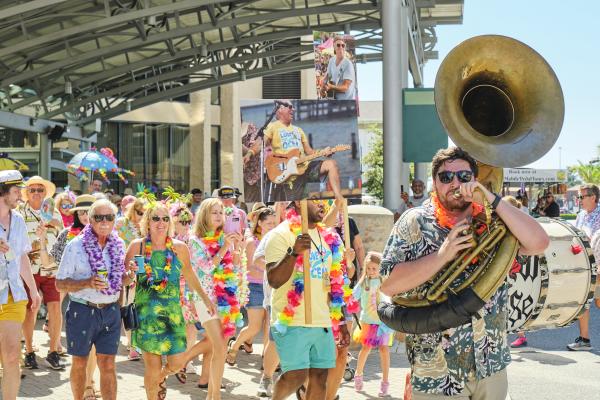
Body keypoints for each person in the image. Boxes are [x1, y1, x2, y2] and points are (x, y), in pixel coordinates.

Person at [379, 147, 549, 399]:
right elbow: (388, 284)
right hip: (436, 369)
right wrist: (442, 255)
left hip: (490, 361)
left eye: (464, 176)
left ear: (475, 180)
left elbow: (539, 243)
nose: (455, 183)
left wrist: (491, 198)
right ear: (435, 182)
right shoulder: (414, 221)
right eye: (446, 177)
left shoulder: (494, 221)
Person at [265, 200, 354, 400]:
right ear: (299, 201)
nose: (323, 204)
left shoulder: (326, 237)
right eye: (316, 199)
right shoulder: (281, 234)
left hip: (321, 320)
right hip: (292, 320)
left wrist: (340, 322)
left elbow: (331, 283)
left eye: (324, 199)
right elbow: (274, 280)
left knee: (320, 377)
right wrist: (294, 252)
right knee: (296, 376)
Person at [128, 202, 216, 400]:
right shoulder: (137, 246)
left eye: (165, 218)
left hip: (172, 315)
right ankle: (153, 391)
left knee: (176, 364)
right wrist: (130, 273)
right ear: (147, 222)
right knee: (152, 366)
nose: (161, 223)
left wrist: (205, 300)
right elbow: (124, 279)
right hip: (146, 315)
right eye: (156, 218)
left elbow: (191, 276)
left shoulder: (179, 248)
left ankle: (161, 378)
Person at [56, 199, 136, 400]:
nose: (104, 221)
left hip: (110, 310)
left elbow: (120, 280)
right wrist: (87, 282)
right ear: (90, 220)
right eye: (98, 217)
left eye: (108, 217)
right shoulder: (75, 246)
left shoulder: (118, 245)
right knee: (80, 362)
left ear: (114, 220)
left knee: (108, 363)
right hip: (82, 310)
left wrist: (131, 275)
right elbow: (60, 284)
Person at [183, 198, 243, 399]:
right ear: (204, 216)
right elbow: (206, 268)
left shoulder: (222, 238)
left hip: (223, 298)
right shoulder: (194, 241)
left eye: (221, 212)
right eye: (214, 212)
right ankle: (213, 393)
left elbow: (232, 270)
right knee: (218, 345)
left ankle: (212, 394)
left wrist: (237, 251)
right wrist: (225, 248)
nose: (219, 216)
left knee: (221, 346)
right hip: (204, 298)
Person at [49, 194, 99, 399]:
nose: (85, 215)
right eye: (81, 212)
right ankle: (84, 383)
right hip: (75, 298)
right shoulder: (67, 234)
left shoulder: (104, 235)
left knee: (95, 347)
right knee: (82, 349)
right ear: (76, 214)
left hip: (98, 298)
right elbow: (53, 261)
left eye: (89, 211)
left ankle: (89, 382)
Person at [0, 170, 41, 400]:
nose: (21, 196)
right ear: (3, 192)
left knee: (12, 356)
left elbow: (23, 257)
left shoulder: (18, 220)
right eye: (16, 191)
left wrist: (33, 290)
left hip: (14, 295)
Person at [18, 175, 64, 370]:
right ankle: (29, 351)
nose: (36, 193)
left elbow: (62, 238)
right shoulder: (18, 212)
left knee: (55, 309)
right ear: (26, 193)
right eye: (32, 190)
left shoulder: (54, 212)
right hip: (28, 269)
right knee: (30, 310)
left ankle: (53, 352)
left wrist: (54, 222)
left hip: (52, 268)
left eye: (40, 190)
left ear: (45, 193)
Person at [227, 206, 278, 366]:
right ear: (260, 223)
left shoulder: (275, 240)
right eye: (269, 223)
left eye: (274, 223)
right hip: (255, 287)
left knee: (270, 326)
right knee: (255, 327)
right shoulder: (252, 242)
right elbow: (250, 268)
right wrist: (271, 269)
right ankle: (234, 346)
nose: (272, 226)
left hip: (271, 287)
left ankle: (266, 358)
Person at [264, 101, 344, 201]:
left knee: (331, 164)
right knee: (296, 204)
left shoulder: (298, 130)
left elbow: (309, 152)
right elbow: (261, 144)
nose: (293, 109)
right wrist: (251, 153)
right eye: (290, 107)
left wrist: (323, 151)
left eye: (293, 107)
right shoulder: (272, 126)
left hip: (305, 167)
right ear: (280, 109)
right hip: (288, 174)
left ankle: (339, 198)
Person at [352, 252, 393, 397]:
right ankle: (358, 374)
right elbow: (353, 297)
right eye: (368, 269)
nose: (370, 271)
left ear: (380, 268)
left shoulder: (384, 282)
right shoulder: (364, 283)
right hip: (368, 322)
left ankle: (385, 382)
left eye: (374, 269)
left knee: (384, 350)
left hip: (383, 322)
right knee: (366, 348)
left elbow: (390, 298)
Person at [567, 184, 600, 351]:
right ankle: (584, 339)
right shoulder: (580, 215)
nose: (578, 200)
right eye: (578, 197)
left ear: (593, 197)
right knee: (583, 302)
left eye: (582, 197)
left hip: (599, 265)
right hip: (584, 265)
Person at [114, 196, 146, 361]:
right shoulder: (121, 223)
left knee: (137, 308)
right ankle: (131, 345)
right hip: (125, 271)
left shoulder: (145, 227)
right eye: (139, 212)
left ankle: (135, 345)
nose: (141, 216)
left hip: (142, 270)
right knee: (127, 306)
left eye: (144, 213)